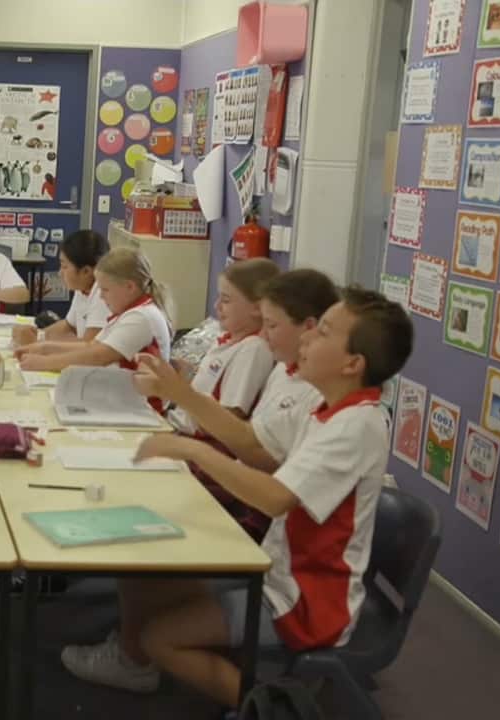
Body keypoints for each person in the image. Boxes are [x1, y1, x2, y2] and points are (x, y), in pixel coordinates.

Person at [69, 287, 414, 711]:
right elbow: (251, 444)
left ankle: (272, 708)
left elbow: (274, 498)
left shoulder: (355, 426)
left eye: (323, 332)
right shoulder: (330, 409)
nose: (307, 337)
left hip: (305, 602)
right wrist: (180, 393)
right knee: (150, 574)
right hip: (283, 572)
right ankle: (135, 659)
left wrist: (193, 450)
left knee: (158, 638)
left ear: (352, 364)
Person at [132, 268, 339, 540]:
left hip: (258, 514)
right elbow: (249, 439)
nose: (264, 334)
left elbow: (268, 472)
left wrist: (191, 437)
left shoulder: (328, 401)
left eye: (272, 326)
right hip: (250, 500)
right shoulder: (283, 371)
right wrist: (176, 392)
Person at [149, 258, 279, 437]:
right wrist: (184, 377)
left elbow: (229, 418)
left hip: (194, 440)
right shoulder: (227, 341)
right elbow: (205, 394)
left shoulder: (254, 349)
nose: (216, 305)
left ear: (257, 308)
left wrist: (171, 388)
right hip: (176, 425)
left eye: (226, 300)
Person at [14, 246, 171, 373]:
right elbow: (90, 346)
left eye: (105, 290)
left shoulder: (141, 317)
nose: (101, 296)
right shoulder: (128, 313)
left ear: (130, 287)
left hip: (140, 401)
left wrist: (45, 362)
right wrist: (44, 347)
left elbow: (99, 356)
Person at [12, 229, 110, 346]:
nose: (60, 273)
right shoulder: (83, 288)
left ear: (86, 271)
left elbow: (88, 347)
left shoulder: (103, 295)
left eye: (64, 266)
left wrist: (37, 342)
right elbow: (68, 325)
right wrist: (38, 334)